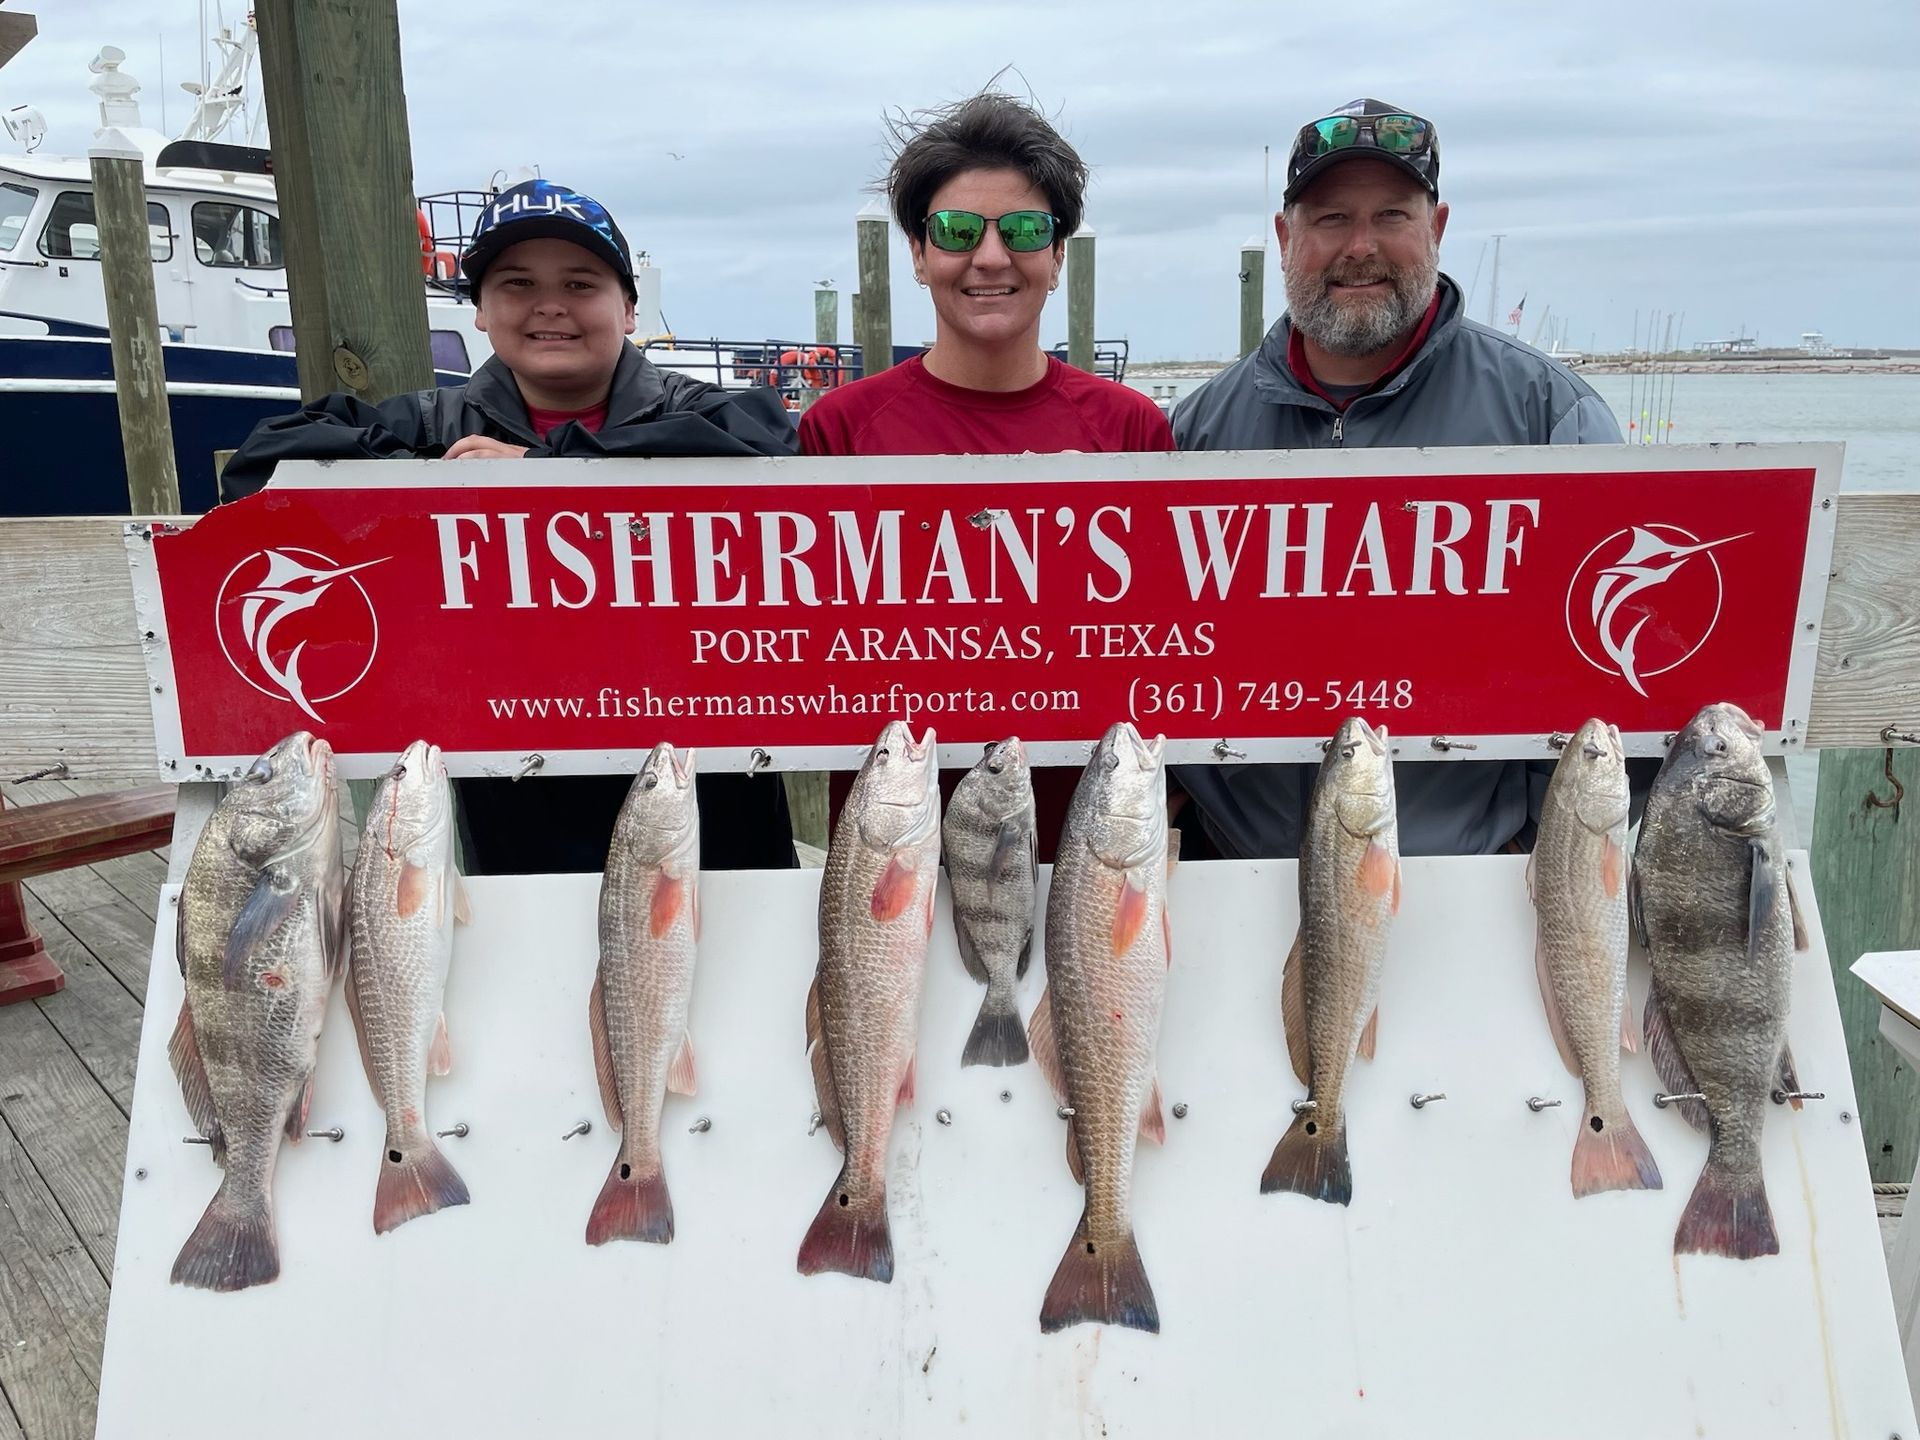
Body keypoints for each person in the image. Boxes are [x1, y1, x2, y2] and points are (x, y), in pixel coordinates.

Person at [221, 179, 800, 874]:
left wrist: (545, 468)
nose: (550, 305)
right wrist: (427, 477)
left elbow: (771, 449)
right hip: (517, 787)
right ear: (480, 313)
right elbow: (260, 468)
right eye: (518, 283)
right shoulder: (435, 425)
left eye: (581, 283)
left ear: (629, 307)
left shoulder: (706, 410)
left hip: (712, 788)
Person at [1170, 99, 1628, 861]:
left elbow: (1635, 680)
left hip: (1484, 890)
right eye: (1329, 219)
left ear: (1436, 229)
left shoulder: (1554, 415)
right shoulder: (1194, 434)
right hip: (1242, 888)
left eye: (1391, 215)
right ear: (1285, 238)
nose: (1360, 246)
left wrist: (1540, 844)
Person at [800, 89, 1173, 853]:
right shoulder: (835, 430)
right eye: (959, 230)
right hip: (893, 857)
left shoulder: (1134, 429)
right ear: (918, 251)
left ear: (1059, 252)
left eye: (1027, 230)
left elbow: (1169, 646)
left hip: (1082, 852)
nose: (992, 256)